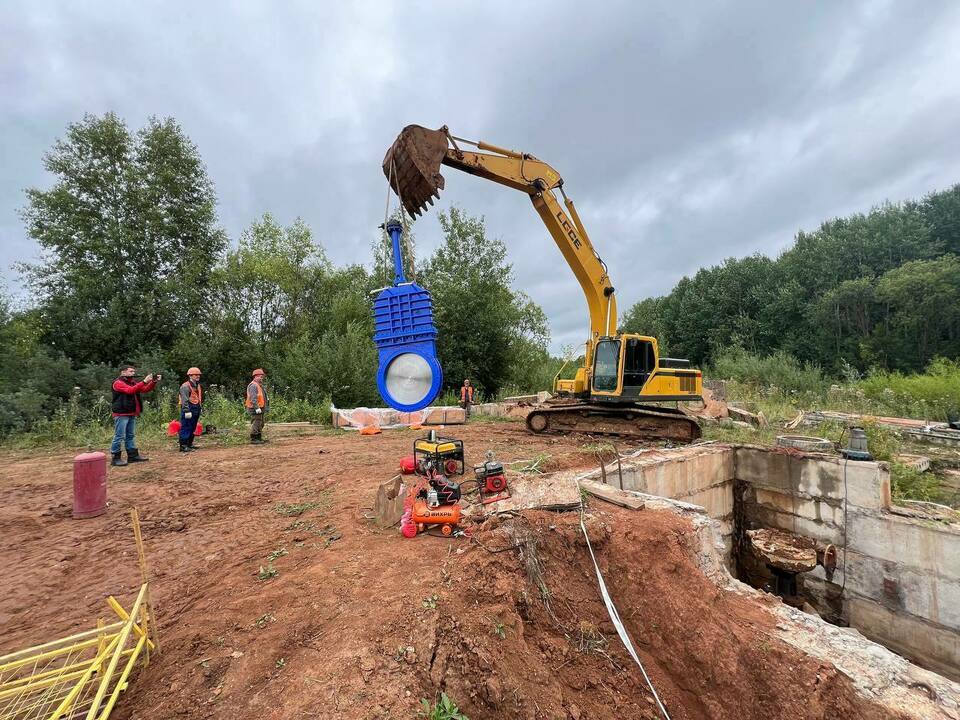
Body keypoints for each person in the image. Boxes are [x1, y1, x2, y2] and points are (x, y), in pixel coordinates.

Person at [111, 364, 160, 467]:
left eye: (133, 371)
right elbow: (130, 390)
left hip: (131, 412)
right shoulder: (118, 383)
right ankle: (115, 458)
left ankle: (132, 456)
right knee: (119, 436)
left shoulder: (132, 382)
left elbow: (145, 389)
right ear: (123, 372)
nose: (133, 373)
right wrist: (144, 381)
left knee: (130, 435)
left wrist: (153, 382)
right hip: (121, 413)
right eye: (131, 371)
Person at [177, 367, 204, 453]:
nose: (198, 376)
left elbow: (198, 397)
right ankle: (183, 446)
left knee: (193, 426)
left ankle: (189, 444)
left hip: (196, 407)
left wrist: (200, 407)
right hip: (188, 407)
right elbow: (184, 399)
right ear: (190, 376)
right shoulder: (185, 386)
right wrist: (186, 410)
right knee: (186, 426)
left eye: (199, 375)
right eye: (196, 375)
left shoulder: (197, 385)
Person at [245, 368, 269, 443]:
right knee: (256, 422)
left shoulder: (259, 385)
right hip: (255, 408)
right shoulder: (253, 385)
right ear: (255, 377)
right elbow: (253, 398)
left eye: (262, 377)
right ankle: (254, 438)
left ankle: (259, 437)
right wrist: (257, 408)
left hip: (260, 407)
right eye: (260, 377)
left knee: (261, 423)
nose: (262, 378)